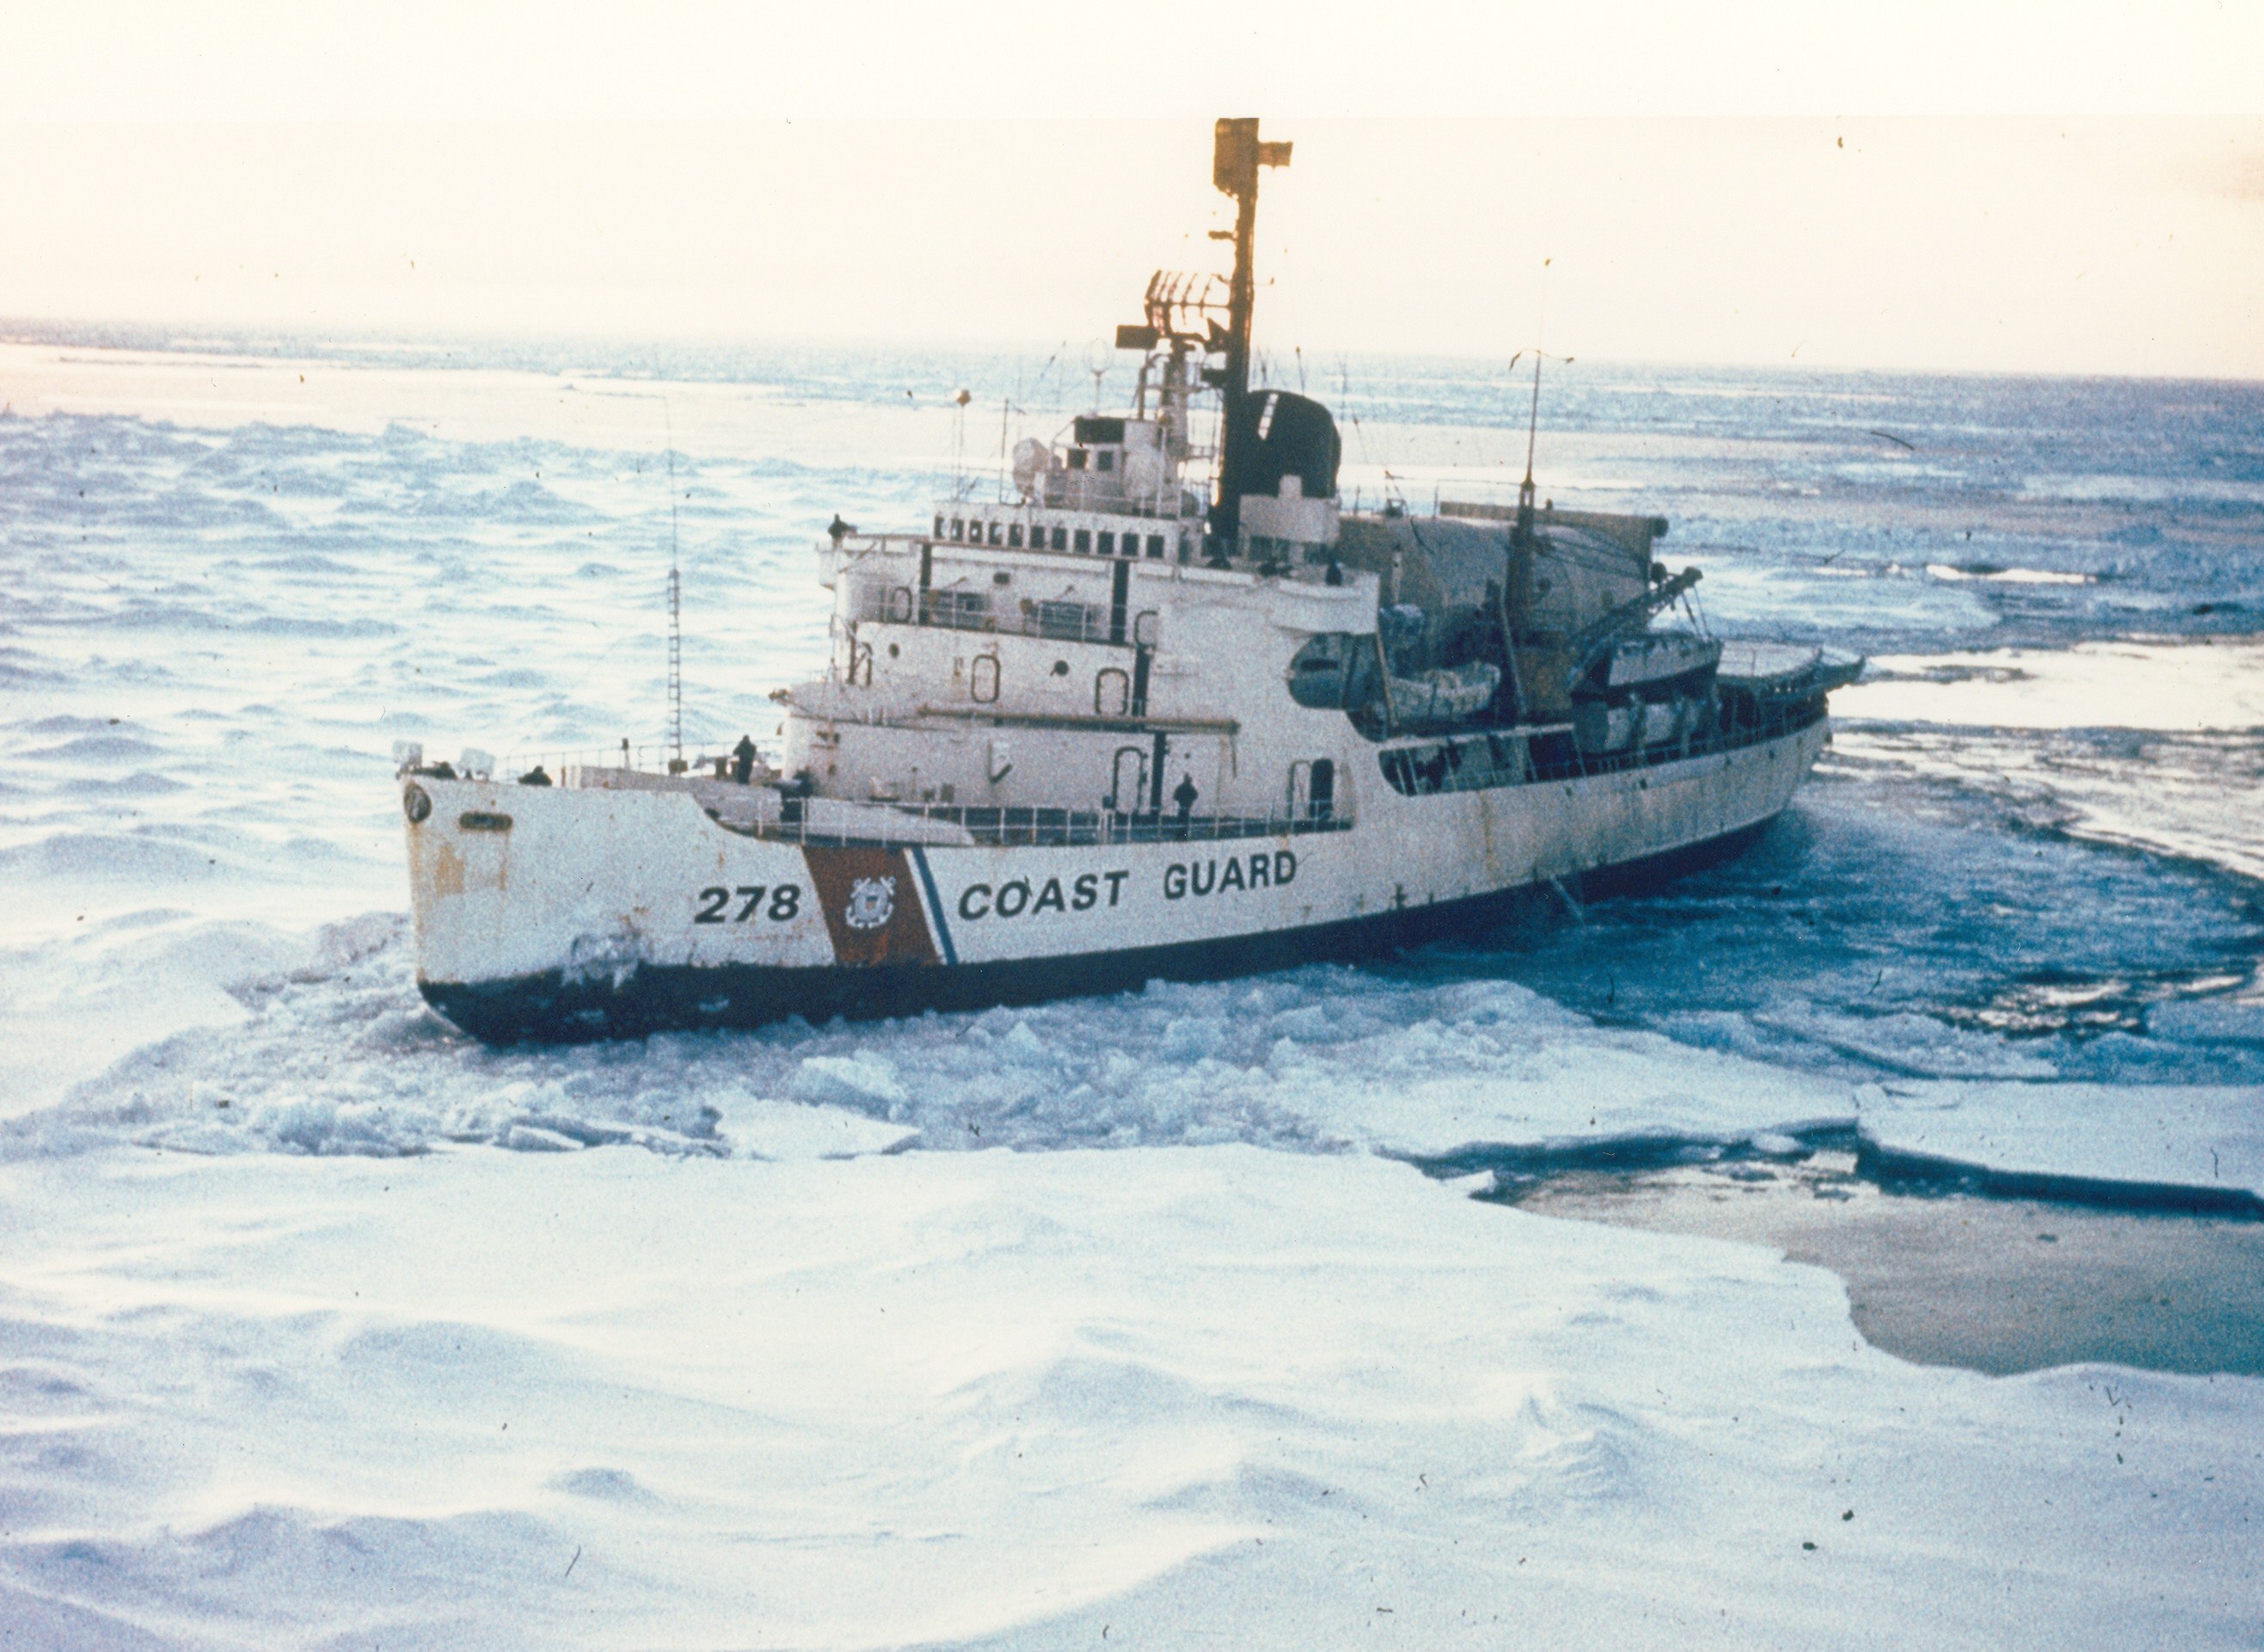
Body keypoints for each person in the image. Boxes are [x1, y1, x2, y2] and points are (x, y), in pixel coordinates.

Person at [1172, 772, 1198, 838]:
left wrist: (1180, 799)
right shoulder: (1191, 788)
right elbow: (1195, 795)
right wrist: (1190, 800)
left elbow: (1175, 796)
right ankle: (1185, 835)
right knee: (1186, 821)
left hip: (1181, 805)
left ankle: (1178, 835)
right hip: (1188, 806)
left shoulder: (1180, 787)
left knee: (1180, 820)